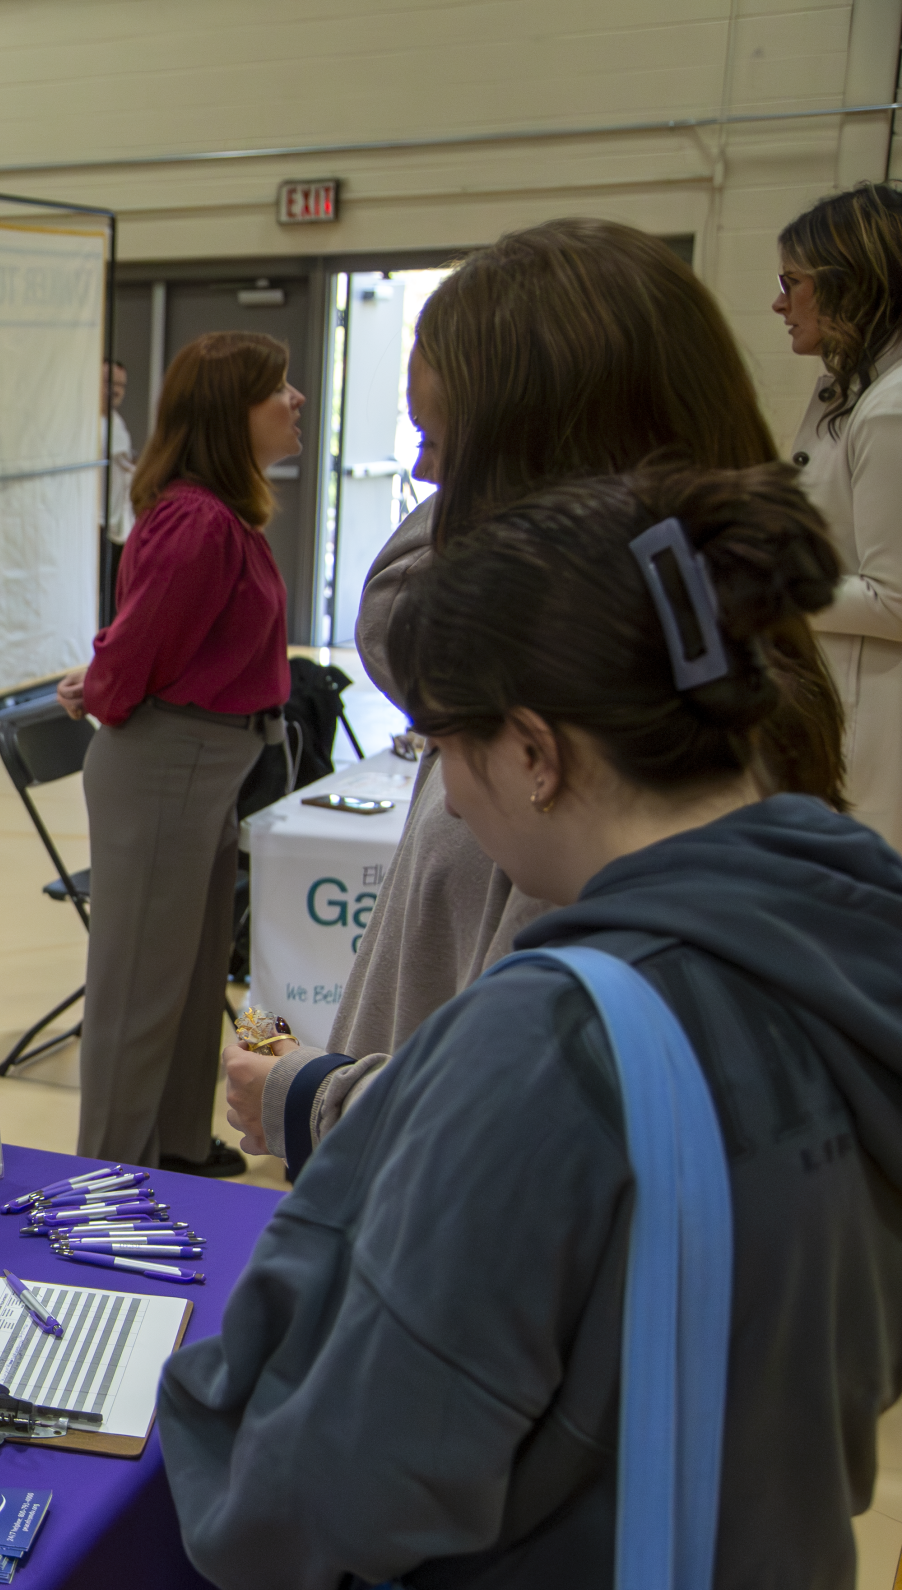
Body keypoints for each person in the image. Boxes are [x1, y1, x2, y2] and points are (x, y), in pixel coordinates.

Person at [162, 466, 902, 1590]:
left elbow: (335, 1478)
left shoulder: (549, 1037)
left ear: (532, 748)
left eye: (439, 743)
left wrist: (210, 1420)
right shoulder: (846, 944)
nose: (443, 790)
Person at [227, 219, 849, 1172]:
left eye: (443, 442)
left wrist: (321, 1099)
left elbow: (547, 1106)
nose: (427, 478)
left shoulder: (631, 738)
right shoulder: (643, 679)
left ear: (538, 754)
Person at [55, 332, 299, 1176]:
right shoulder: (198, 520)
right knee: (135, 992)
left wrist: (108, 675)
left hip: (205, 762)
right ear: (231, 414)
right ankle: (108, 1175)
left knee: (193, 976)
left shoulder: (221, 516)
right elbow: (136, 658)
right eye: (280, 390)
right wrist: (103, 682)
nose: (296, 400)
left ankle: (176, 1142)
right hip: (167, 762)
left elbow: (154, 647)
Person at [779, 182, 902, 849]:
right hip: (835, 700)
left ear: (843, 283)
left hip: (877, 726)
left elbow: (896, 599)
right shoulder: (848, 389)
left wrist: (764, 582)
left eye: (789, 281)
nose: (778, 301)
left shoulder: (891, 408)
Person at [101, 359, 136, 620]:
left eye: (121, 385)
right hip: (95, 522)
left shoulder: (117, 422)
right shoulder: (85, 423)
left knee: (116, 595)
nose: (116, 390)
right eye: (109, 383)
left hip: (119, 522)